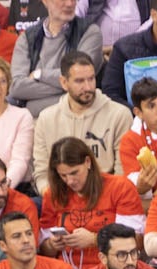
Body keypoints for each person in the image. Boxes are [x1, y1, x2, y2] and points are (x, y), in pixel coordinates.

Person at [39, 138, 147, 269]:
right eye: (63, 175)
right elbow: (43, 250)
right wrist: (52, 245)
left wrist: (95, 239)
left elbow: (136, 241)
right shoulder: (53, 194)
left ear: (88, 162)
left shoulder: (120, 187)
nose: (70, 181)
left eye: (74, 173)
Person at [31, 51, 133, 194]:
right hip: (62, 198)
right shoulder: (46, 118)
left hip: (106, 197)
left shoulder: (119, 115)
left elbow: (122, 172)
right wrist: (52, 196)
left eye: (91, 79)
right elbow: (42, 172)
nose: (88, 87)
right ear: (64, 83)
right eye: (79, 81)